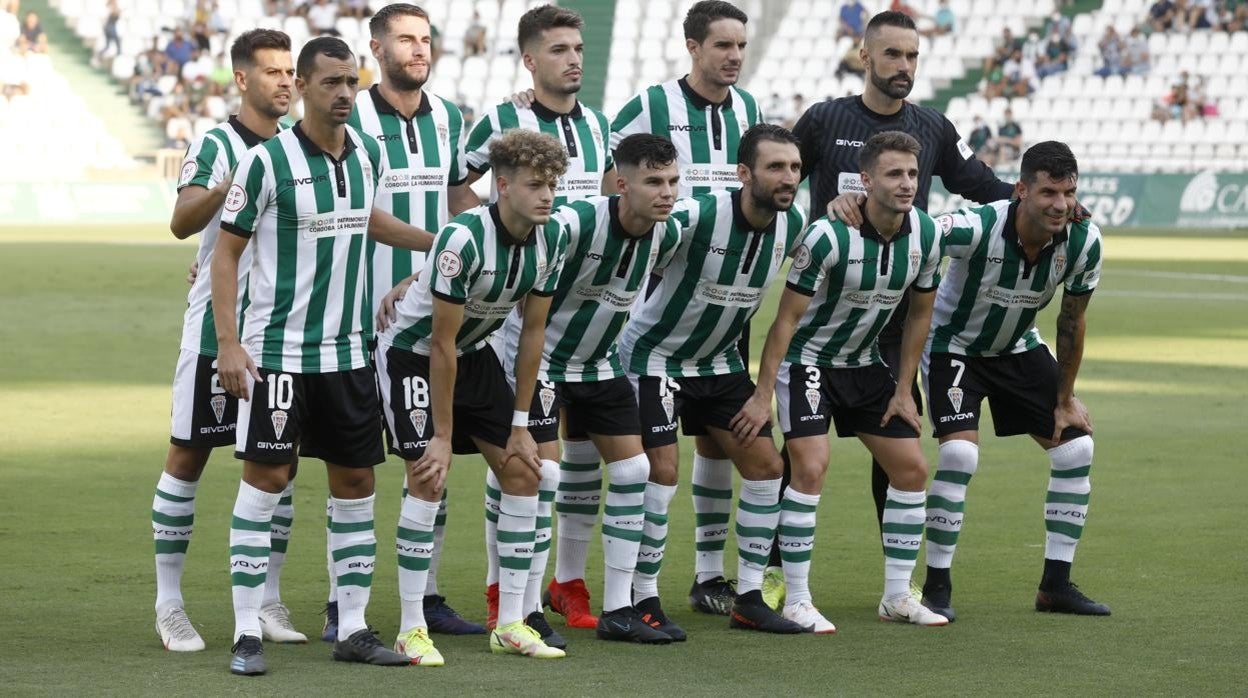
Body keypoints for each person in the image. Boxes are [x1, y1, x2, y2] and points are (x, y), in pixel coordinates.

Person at [774, 9, 1016, 612]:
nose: (903, 67)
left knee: (898, 440)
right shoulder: (825, 119)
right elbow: (778, 174)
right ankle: (776, 572)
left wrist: (1040, 202)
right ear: (865, 56)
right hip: (821, 315)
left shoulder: (932, 126)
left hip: (891, 318)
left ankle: (898, 580)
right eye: (892, 55)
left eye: (912, 56)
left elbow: (980, 183)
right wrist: (824, 208)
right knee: (802, 452)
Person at [212, 36, 434, 676]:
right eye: (331, 83)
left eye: (351, 83)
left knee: (357, 483)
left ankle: (356, 628)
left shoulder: (365, 155)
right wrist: (230, 343)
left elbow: (364, 218)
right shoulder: (267, 162)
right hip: (278, 355)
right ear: (302, 87)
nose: (344, 95)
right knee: (267, 482)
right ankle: (246, 631)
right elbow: (226, 253)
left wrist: (437, 240)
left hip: (347, 354)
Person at [731, 131, 950, 632]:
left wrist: (903, 389)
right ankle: (797, 598)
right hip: (808, 363)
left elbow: (920, 317)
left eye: (913, 174)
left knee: (912, 468)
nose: (906, 184)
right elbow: (784, 322)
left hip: (865, 363)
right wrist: (763, 394)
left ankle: (897, 595)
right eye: (894, 174)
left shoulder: (928, 235)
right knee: (810, 465)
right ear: (866, 180)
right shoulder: (827, 235)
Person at [376, 129, 570, 661]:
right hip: (413, 354)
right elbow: (439, 344)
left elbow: (533, 335)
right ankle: (411, 627)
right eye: (535, 184)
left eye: (552, 183)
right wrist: (441, 436)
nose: (547, 195)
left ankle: (510, 622)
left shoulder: (550, 241)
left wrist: (521, 422)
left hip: (477, 353)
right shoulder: (462, 239)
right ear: (501, 185)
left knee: (524, 470)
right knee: (428, 476)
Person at [618, 124, 809, 636]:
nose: (787, 177)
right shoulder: (696, 215)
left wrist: (763, 394)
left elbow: (789, 315)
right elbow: (632, 240)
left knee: (767, 466)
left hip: (720, 365)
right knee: (662, 472)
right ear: (744, 173)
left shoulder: (795, 227)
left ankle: (748, 596)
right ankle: (642, 597)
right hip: (654, 358)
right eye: (775, 167)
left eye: (793, 167)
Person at [610, 0, 766, 619]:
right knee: (641, 457)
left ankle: (708, 576)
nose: (732, 57)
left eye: (740, 47)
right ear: (693, 47)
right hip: (657, 299)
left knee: (720, 442)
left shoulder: (751, 112)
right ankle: (619, 585)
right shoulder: (650, 106)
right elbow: (611, 181)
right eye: (722, 46)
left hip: (725, 304)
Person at [337, 2, 484, 653]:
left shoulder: (450, 117)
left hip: (428, 318)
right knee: (355, 469)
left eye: (425, 39)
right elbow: (352, 209)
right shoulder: (353, 117)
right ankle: (344, 608)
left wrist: (488, 232)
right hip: (357, 317)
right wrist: (437, 245)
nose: (418, 49)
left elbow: (458, 196)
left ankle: (419, 597)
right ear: (375, 48)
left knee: (428, 459)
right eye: (404, 39)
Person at [462, 4, 613, 639]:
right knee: (531, 465)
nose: (573, 58)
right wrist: (498, 251)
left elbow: (608, 201)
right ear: (530, 60)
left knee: (587, 465)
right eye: (557, 49)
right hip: (517, 325)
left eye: (577, 47)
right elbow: (457, 186)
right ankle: (508, 598)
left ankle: (561, 586)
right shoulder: (503, 118)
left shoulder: (600, 125)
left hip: (587, 321)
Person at [507, 134, 685, 644]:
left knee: (634, 469)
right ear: (622, 183)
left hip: (600, 366)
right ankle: (526, 609)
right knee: (543, 477)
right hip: (540, 364)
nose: (666, 192)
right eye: (653, 181)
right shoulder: (573, 224)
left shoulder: (665, 234)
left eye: (672, 181)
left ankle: (618, 610)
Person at [920, 141, 1109, 621]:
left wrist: (1065, 399)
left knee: (1076, 449)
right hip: (953, 346)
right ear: (1021, 190)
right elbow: (915, 233)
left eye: (1068, 192)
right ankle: (936, 585)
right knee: (960, 454)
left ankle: (1055, 585)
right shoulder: (979, 224)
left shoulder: (1084, 240)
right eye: (1048, 192)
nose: (1060, 204)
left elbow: (1072, 322)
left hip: (1019, 348)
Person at [153, 28, 297, 655]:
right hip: (215, 330)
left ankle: (265, 598)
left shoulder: (301, 147)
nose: (286, 81)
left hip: (283, 332)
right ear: (243, 80)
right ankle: (169, 604)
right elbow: (183, 223)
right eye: (273, 72)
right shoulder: (218, 142)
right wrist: (231, 183)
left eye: (291, 71)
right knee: (188, 456)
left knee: (279, 467)